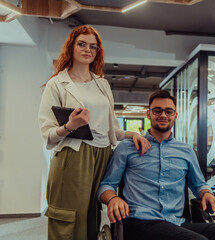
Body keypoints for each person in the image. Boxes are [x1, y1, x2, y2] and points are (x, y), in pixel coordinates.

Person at [38, 25, 151, 240]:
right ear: (71, 47)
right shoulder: (57, 83)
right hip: (74, 156)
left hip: (103, 156)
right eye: (82, 44)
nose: (87, 49)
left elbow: (112, 130)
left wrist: (133, 134)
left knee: (92, 217)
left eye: (93, 46)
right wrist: (70, 125)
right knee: (68, 218)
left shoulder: (102, 84)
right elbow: (48, 135)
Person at [97, 90, 215, 240]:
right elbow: (106, 185)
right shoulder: (127, 147)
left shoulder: (186, 151)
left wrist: (207, 194)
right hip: (140, 222)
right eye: (157, 111)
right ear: (148, 114)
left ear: (175, 116)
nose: (163, 115)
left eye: (168, 111)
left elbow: (199, 184)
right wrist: (112, 199)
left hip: (176, 222)